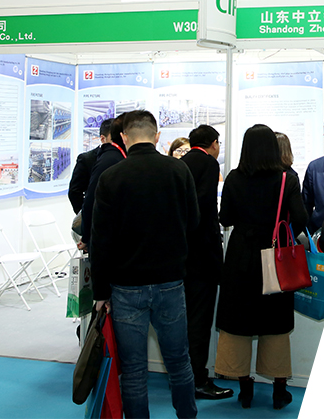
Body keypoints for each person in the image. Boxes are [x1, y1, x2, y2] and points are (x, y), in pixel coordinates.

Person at [89, 110, 199, 418]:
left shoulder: (111, 177)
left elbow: (100, 241)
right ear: (157, 135)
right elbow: (194, 222)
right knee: (179, 362)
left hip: (126, 287)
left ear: (124, 137)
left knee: (134, 370)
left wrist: (100, 292)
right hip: (170, 281)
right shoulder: (178, 170)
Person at [216, 124, 305, 409]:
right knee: (276, 324)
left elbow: (225, 218)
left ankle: (244, 390)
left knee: (237, 322)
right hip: (275, 259)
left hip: (240, 257)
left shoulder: (233, 177)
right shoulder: (286, 179)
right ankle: (279, 392)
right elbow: (300, 218)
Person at [180, 125, 233, 399]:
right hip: (202, 256)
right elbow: (205, 209)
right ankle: (198, 380)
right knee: (199, 323)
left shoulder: (181, 163)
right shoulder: (209, 164)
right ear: (213, 143)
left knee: (185, 320)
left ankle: (183, 378)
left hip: (182, 256)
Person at [69, 116, 124, 215]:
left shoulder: (125, 156)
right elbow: (75, 192)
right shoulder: (87, 159)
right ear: (103, 139)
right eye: (114, 138)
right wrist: (86, 215)